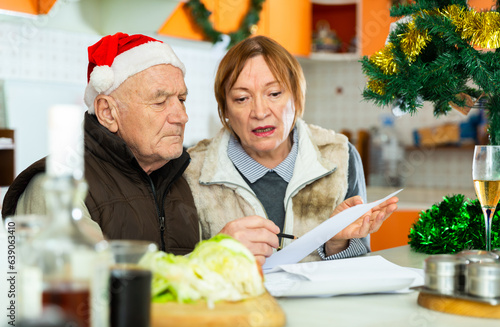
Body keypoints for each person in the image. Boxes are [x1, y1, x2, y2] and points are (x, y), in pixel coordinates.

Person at [184, 35, 399, 264]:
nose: (259, 111)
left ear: (296, 97)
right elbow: (174, 273)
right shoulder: (192, 170)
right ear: (225, 108)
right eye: (242, 98)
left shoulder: (340, 157)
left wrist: (336, 242)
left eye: (274, 94)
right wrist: (216, 252)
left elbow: (357, 269)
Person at [1, 33, 200, 255]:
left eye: (181, 100)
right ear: (107, 112)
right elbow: (78, 284)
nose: (182, 116)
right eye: (160, 102)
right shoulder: (55, 187)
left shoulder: (184, 178)